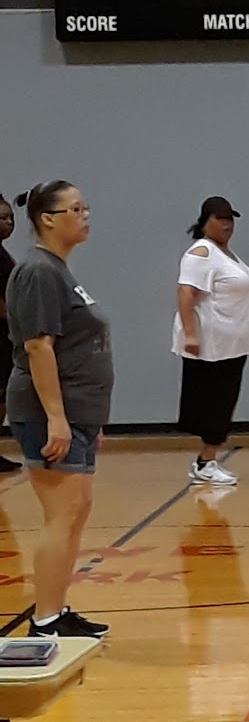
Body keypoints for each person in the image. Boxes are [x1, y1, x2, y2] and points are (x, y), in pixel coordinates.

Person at [6, 182, 112, 639]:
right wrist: (56, 417)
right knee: (61, 513)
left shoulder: (59, 271)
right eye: (74, 208)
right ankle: (45, 621)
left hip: (78, 413)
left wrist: (91, 419)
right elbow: (37, 346)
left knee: (77, 509)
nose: (84, 215)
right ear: (47, 218)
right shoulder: (38, 272)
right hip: (48, 411)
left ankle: (57, 609)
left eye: (85, 207)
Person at [172, 196, 249, 487]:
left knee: (225, 401)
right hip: (213, 345)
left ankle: (207, 460)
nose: (226, 224)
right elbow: (186, 293)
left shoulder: (227, 254)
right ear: (205, 221)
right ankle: (205, 462)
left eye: (229, 219)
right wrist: (191, 333)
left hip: (234, 343)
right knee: (216, 404)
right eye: (220, 218)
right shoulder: (201, 252)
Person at [0, 195, 21, 473]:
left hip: (6, 335)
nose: (7, 223)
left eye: (10, 218)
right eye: (2, 218)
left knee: (3, 395)